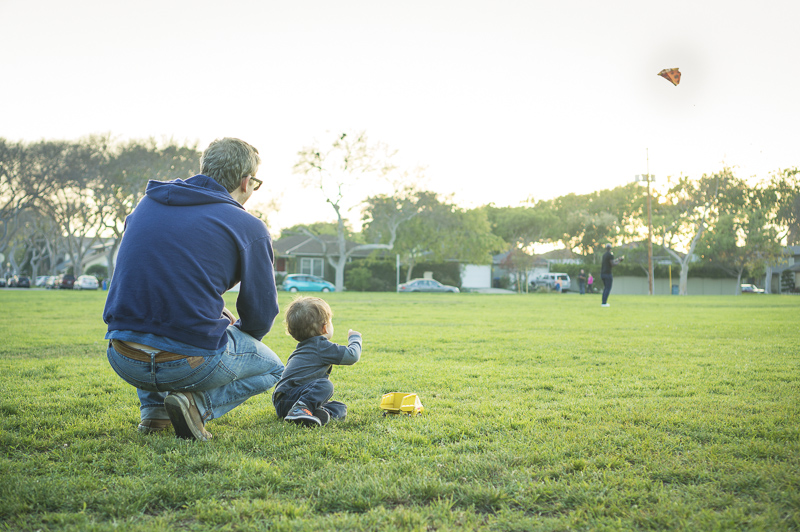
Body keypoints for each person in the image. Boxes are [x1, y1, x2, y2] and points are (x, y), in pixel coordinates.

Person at [103, 138, 285, 441]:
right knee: (274, 369)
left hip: (123, 356)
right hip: (187, 362)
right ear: (246, 181)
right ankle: (197, 407)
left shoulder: (147, 205)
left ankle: (155, 413)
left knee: (152, 316)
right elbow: (260, 314)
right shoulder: (248, 226)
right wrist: (236, 331)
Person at [273, 297, 362, 427]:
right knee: (324, 385)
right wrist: (355, 338)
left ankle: (319, 413)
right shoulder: (320, 346)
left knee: (339, 407)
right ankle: (299, 410)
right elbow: (352, 356)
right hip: (291, 398)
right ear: (325, 328)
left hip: (282, 402)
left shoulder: (304, 347)